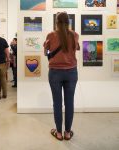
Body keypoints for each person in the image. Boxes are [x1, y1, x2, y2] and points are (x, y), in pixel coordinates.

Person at [43, 12, 80, 141]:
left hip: (55, 73)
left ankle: (58, 133)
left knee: (57, 103)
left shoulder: (51, 35)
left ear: (56, 22)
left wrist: (49, 51)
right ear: (68, 22)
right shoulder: (74, 35)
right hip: (71, 72)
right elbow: (76, 49)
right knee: (70, 103)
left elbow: (46, 52)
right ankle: (68, 133)